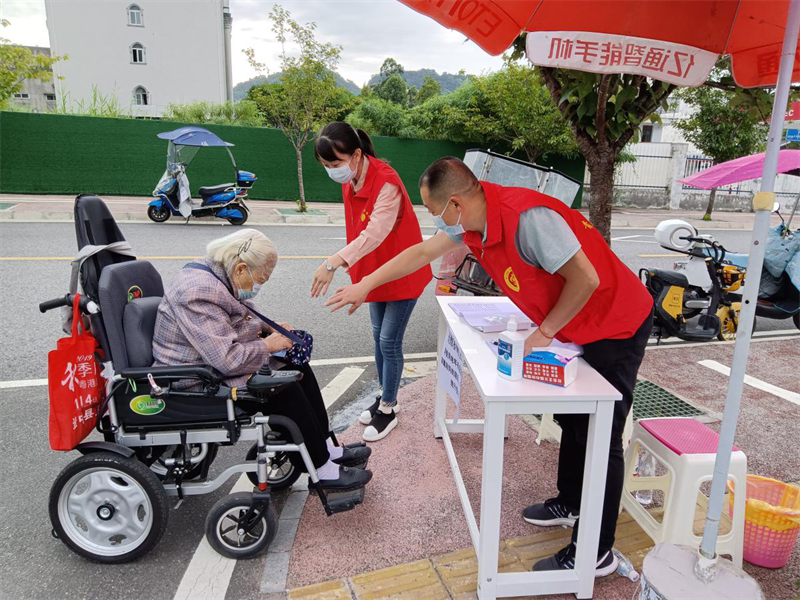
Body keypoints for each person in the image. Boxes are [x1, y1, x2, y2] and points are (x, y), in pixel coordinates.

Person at [326, 157, 654, 577]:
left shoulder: (528, 219)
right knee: (574, 419)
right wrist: (365, 283)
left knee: (601, 434)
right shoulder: (473, 223)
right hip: (575, 324)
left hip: (615, 322)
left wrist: (546, 331)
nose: (435, 220)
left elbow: (586, 279)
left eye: (435, 211)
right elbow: (422, 252)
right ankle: (572, 502)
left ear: (456, 204)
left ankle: (596, 552)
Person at [151, 228, 372, 491]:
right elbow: (227, 359)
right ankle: (321, 469)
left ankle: (323, 447)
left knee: (297, 367)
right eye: (260, 279)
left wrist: (270, 327)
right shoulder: (197, 291)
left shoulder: (218, 272)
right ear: (241, 269)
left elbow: (237, 316)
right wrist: (268, 344)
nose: (259, 286)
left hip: (210, 364)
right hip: (194, 381)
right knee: (283, 387)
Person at [311, 122, 432, 442]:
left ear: (356, 155)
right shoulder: (352, 178)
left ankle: (388, 409)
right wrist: (356, 273)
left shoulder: (386, 182)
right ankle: (384, 394)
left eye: (335, 163)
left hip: (401, 272)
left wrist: (333, 262)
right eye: (326, 165)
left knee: (389, 341)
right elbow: (356, 230)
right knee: (378, 337)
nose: (332, 170)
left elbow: (374, 232)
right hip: (373, 275)